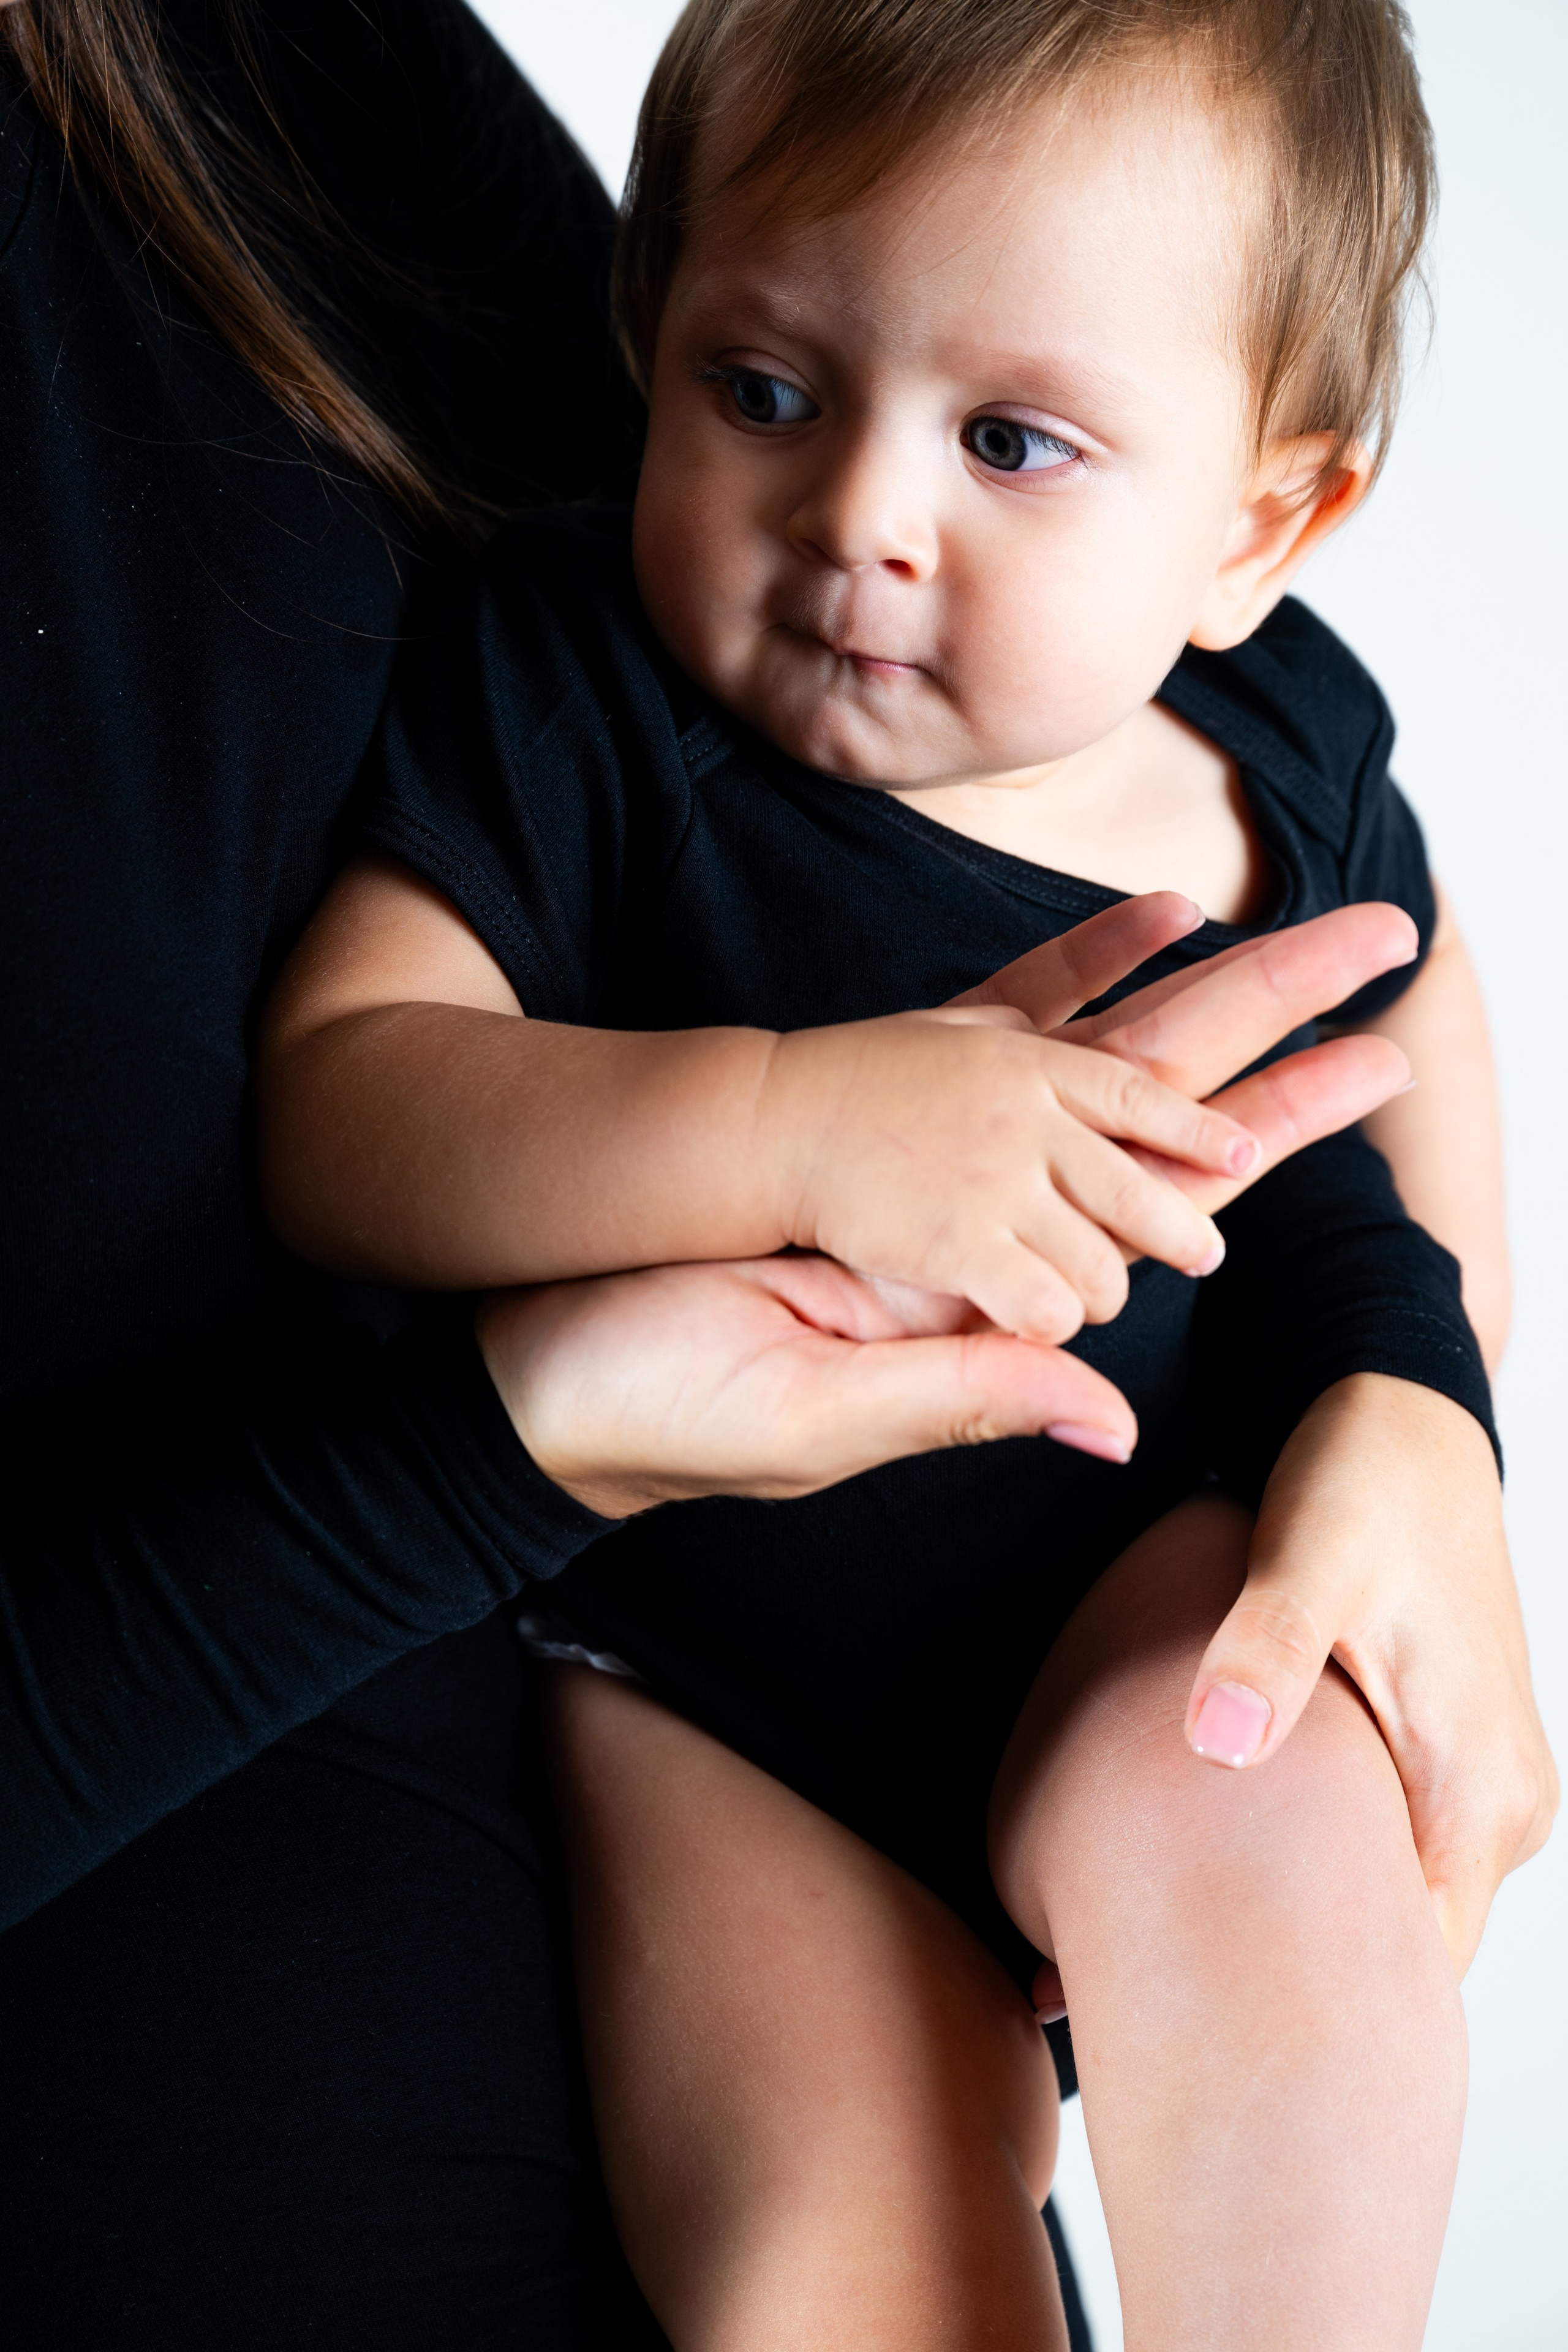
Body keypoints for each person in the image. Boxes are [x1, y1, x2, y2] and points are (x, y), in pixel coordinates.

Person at [0, 6, 1445, 2345]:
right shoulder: (582, 687)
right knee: (847, 2245)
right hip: (695, 1667)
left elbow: (1374, 1088)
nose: (860, 512)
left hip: (1129, 1558)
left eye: (1011, 442)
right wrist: (786, 1123)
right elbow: (350, 1106)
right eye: (761, 389)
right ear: (649, 331)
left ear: (1260, 529)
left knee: (1285, 1870)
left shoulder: (1283, 750)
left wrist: (1423, 1422)